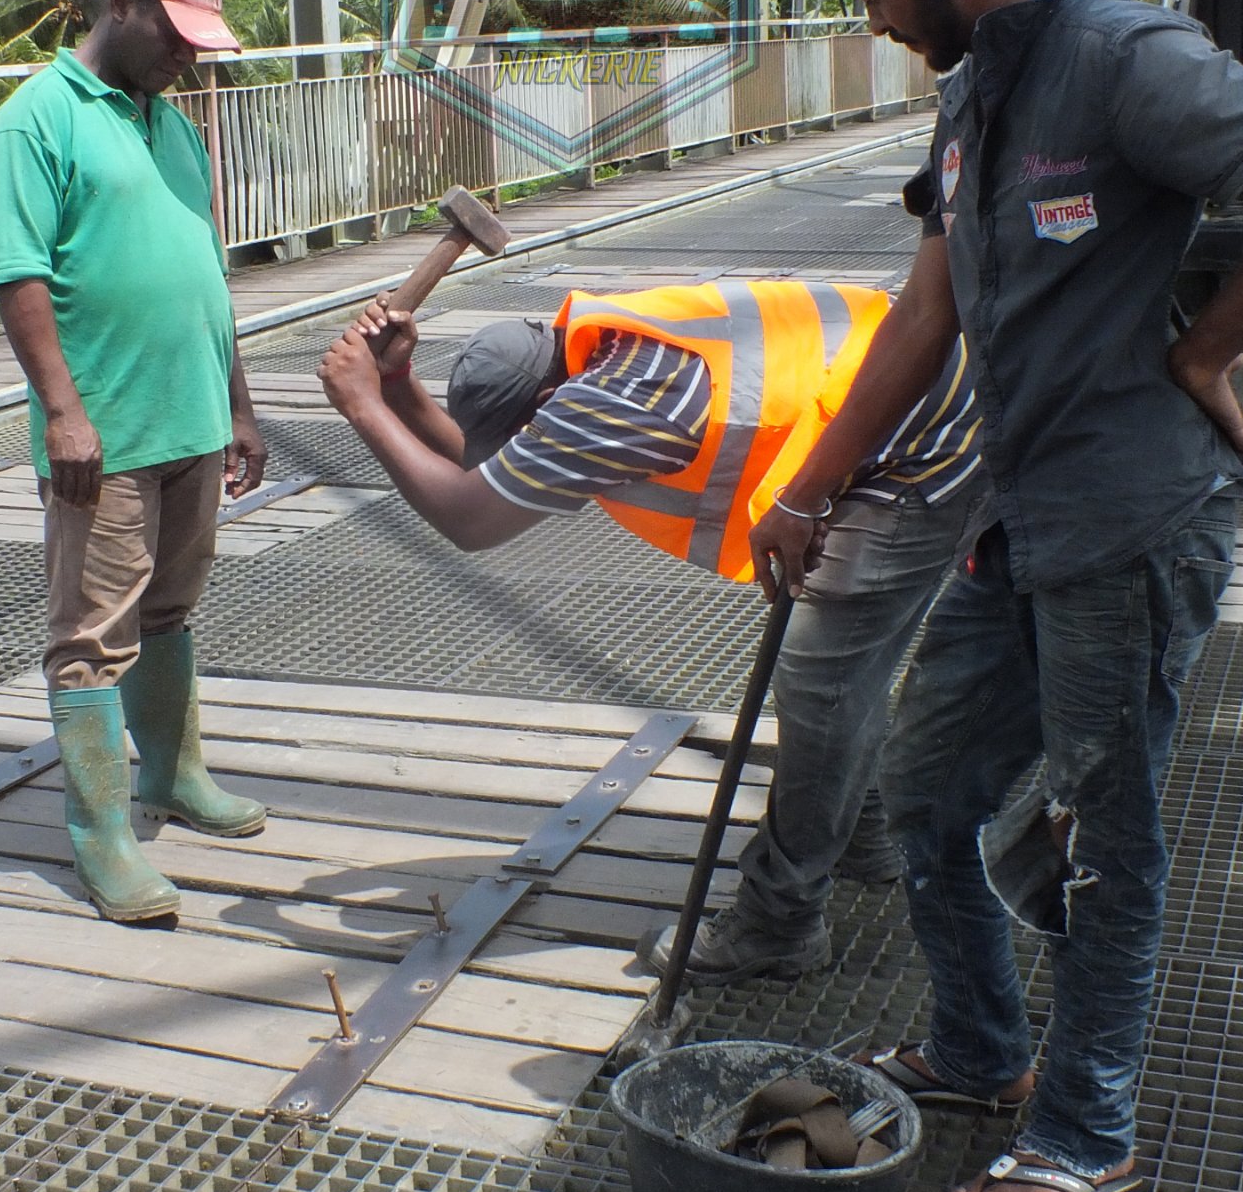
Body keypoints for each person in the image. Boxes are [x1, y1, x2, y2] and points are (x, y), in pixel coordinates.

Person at [749, 0, 1243, 1192]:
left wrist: (1208, 349)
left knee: (1107, 839)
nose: (865, 15)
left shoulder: (1123, 57)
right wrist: (806, 490)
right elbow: (929, 315)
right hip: (1019, 514)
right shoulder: (973, 90)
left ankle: (1086, 1128)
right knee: (930, 793)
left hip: (1132, 521)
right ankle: (979, 1046)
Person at [317, 274, 985, 982]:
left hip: (933, 437)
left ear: (549, 405)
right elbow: (490, 472)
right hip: (911, 392)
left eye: (534, 433)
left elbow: (469, 514)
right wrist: (396, 387)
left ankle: (780, 922)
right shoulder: (599, 344)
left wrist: (360, 405)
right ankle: (860, 833)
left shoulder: (614, 409)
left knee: (820, 679)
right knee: (851, 666)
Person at [0, 0, 270, 926]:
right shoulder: (36, 121)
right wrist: (61, 411)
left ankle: (171, 777)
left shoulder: (172, 124)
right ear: (121, 4)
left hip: (190, 412)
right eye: (176, 35)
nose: (187, 56)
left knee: (170, 612)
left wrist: (237, 404)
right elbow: (17, 274)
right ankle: (101, 835)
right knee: (91, 636)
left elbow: (204, 268)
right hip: (101, 430)